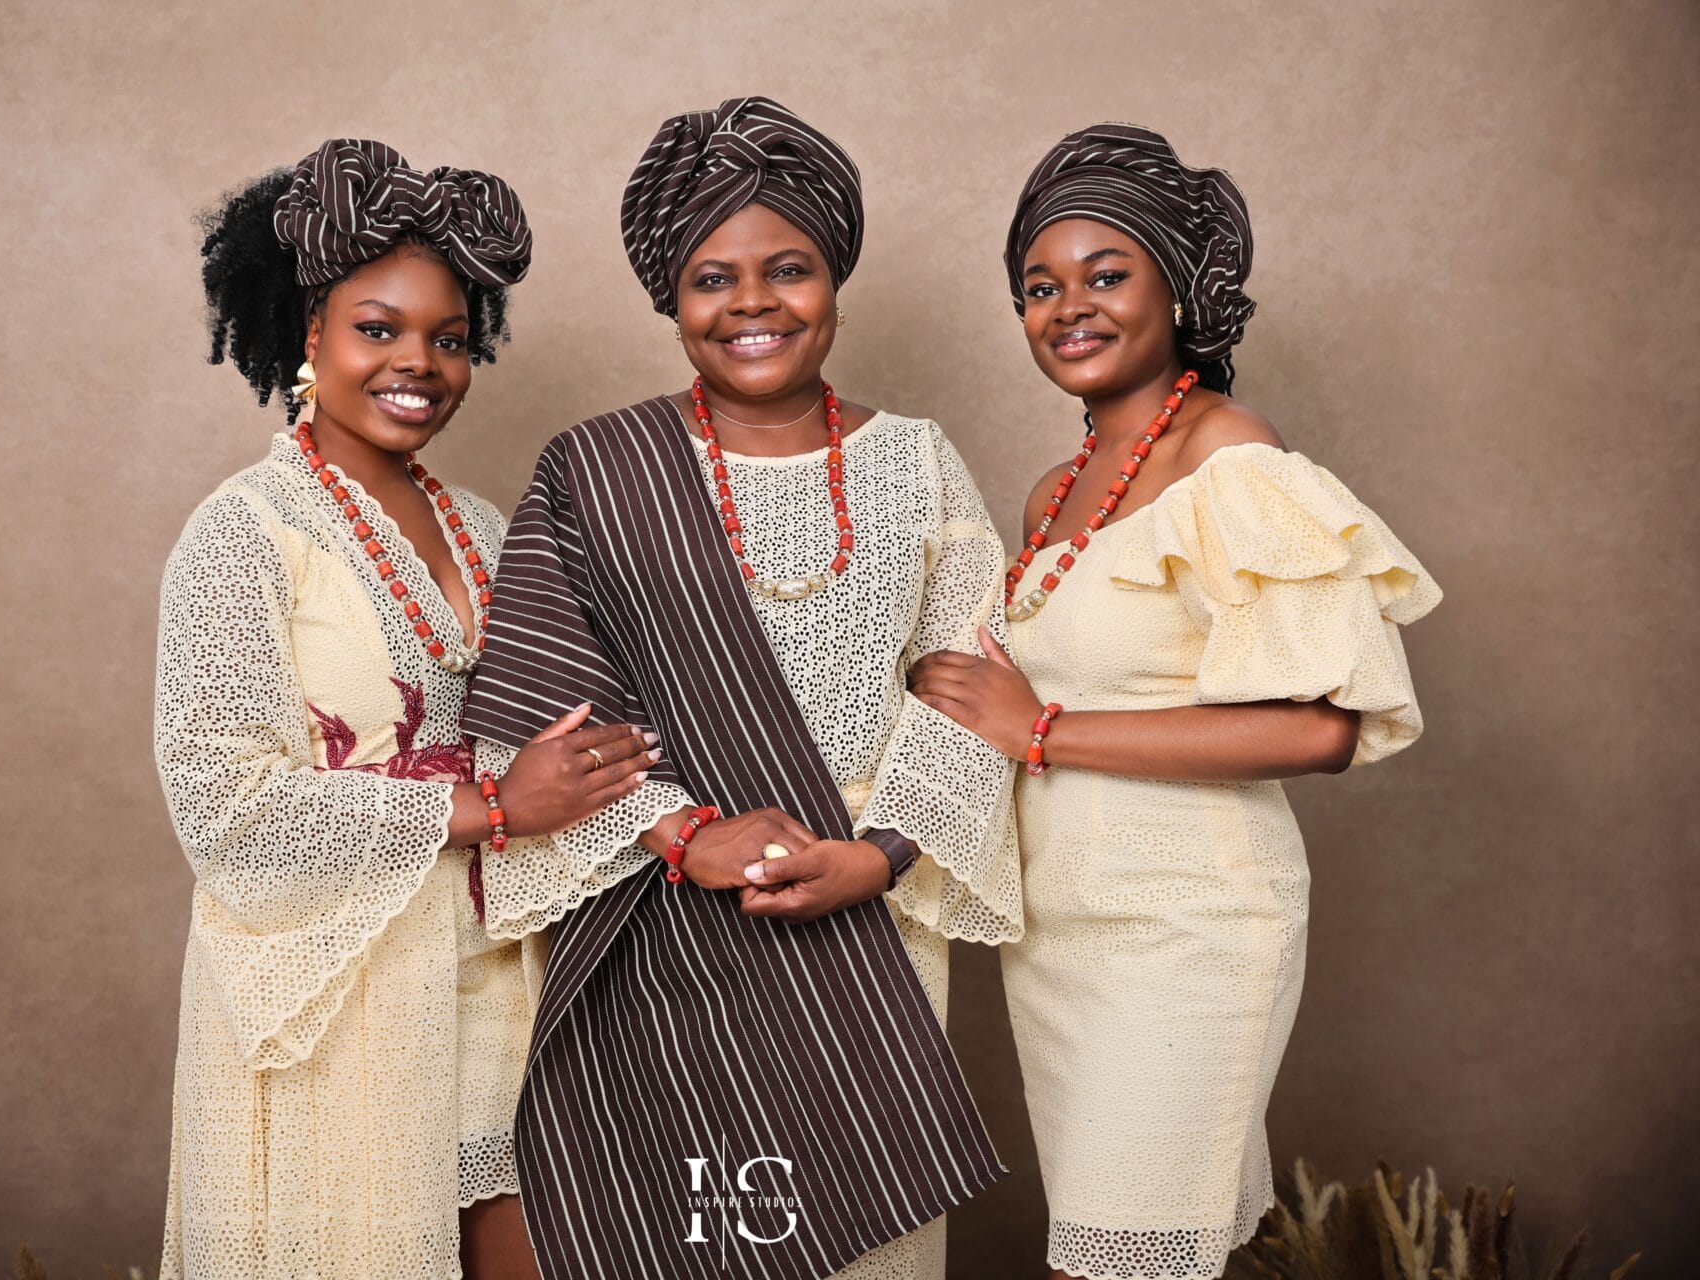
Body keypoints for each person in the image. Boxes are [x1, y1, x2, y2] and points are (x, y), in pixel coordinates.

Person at [460, 96, 1022, 1280]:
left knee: (870, 1249)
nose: (753, 302)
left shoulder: (917, 459)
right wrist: (689, 835)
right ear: (673, 298)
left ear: (834, 281)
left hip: (868, 925)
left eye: (789, 268)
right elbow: (544, 706)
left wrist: (882, 853)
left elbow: (972, 689)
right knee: (686, 1239)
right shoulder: (594, 467)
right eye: (713, 277)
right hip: (658, 923)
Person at [908, 123, 1443, 1280]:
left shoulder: (1232, 456)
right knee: (1120, 1251)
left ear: (1176, 288)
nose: (1068, 308)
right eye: (1038, 287)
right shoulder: (1053, 491)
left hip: (1190, 923)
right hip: (1060, 936)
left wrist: (1037, 730)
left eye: (1107, 274)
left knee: (1127, 1257)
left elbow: (1321, 724)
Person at [155, 137, 653, 1279]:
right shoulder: (244, 535)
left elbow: (573, 739)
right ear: (305, 338)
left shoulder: (486, 529)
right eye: (378, 328)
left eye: (448, 336)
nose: (417, 361)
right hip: (340, 1003)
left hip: (503, 992)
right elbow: (224, 812)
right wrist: (490, 809)